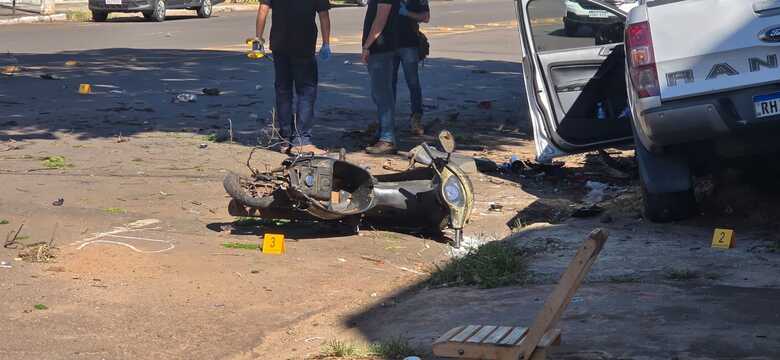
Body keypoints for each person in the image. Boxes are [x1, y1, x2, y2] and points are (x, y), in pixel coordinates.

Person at [255, 0, 332, 155]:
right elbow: (324, 16)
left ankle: (285, 140)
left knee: (283, 91)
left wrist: (258, 39)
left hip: (279, 44)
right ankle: (302, 140)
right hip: (303, 45)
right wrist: (326, 43)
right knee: (306, 92)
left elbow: (263, 10)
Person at [362, 0, 400, 155]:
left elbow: (381, 19)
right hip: (381, 48)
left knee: (383, 94)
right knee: (380, 94)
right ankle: (383, 133)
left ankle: (387, 138)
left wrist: (367, 45)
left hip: (381, 49)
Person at [394, 0, 429, 136]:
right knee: (389, 83)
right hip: (389, 44)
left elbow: (425, 17)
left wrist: (407, 13)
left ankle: (416, 118)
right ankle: (387, 121)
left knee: (413, 82)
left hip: (409, 44)